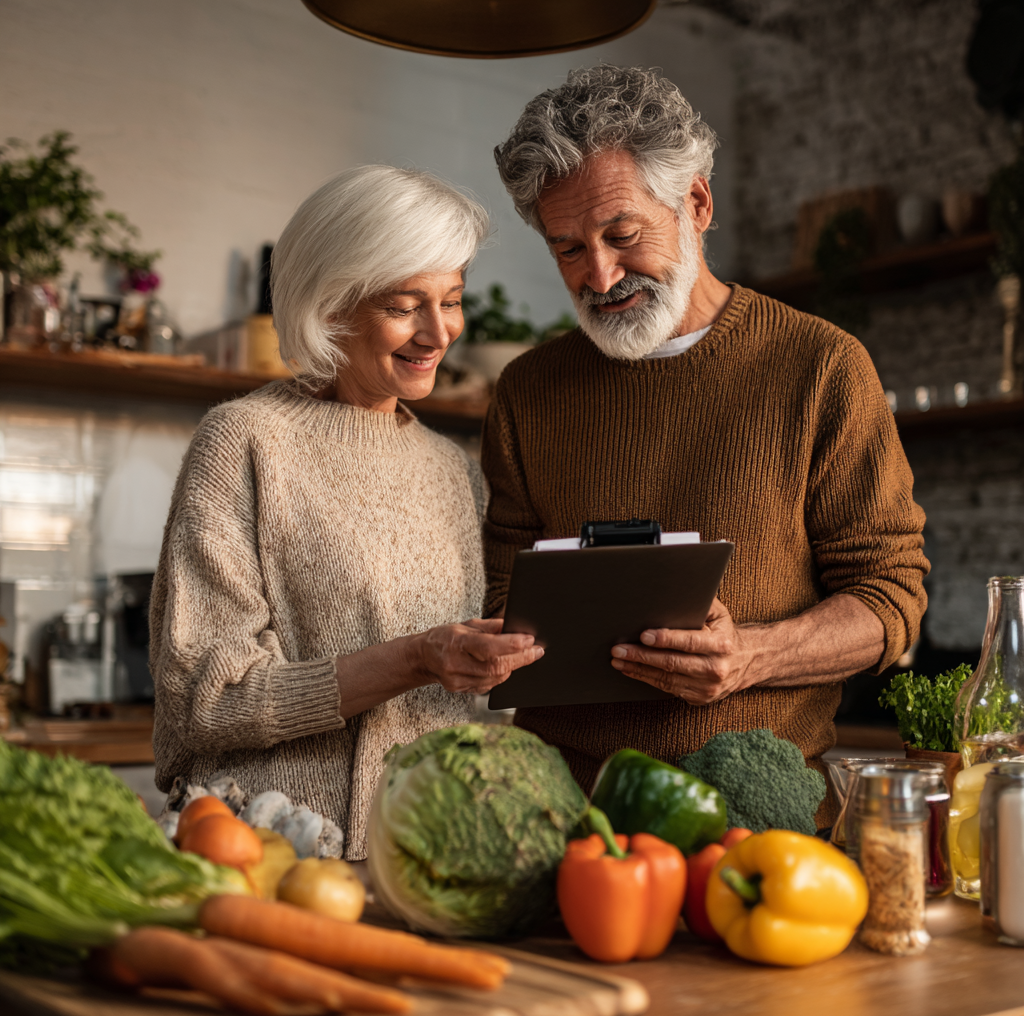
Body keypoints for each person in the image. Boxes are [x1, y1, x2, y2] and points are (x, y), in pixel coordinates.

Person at [485, 65, 928, 821]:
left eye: (622, 234)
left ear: (696, 201)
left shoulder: (821, 367)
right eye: (566, 249)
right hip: (560, 820)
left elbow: (891, 596)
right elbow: (505, 594)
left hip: (759, 816)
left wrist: (752, 654)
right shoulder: (528, 390)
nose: (598, 273)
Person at [150, 166, 544, 860]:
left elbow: (462, 695)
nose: (437, 332)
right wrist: (418, 657)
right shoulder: (245, 442)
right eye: (404, 305)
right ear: (332, 307)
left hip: (429, 852)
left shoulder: (452, 468)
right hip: (270, 849)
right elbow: (208, 700)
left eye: (451, 300)